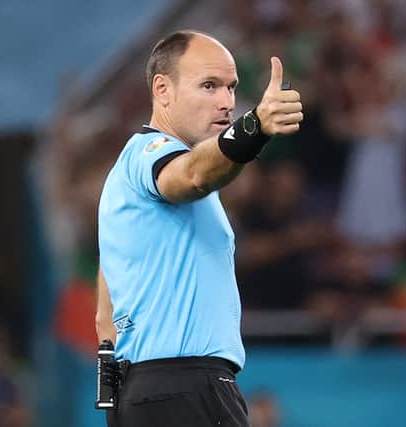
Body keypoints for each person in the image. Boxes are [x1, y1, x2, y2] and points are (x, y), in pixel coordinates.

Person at [95, 30, 303, 427]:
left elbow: (106, 313)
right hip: (187, 386)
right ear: (163, 89)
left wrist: (121, 398)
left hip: (144, 390)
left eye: (231, 88)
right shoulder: (150, 154)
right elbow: (192, 175)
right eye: (209, 85)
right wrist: (254, 126)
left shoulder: (124, 181)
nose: (226, 102)